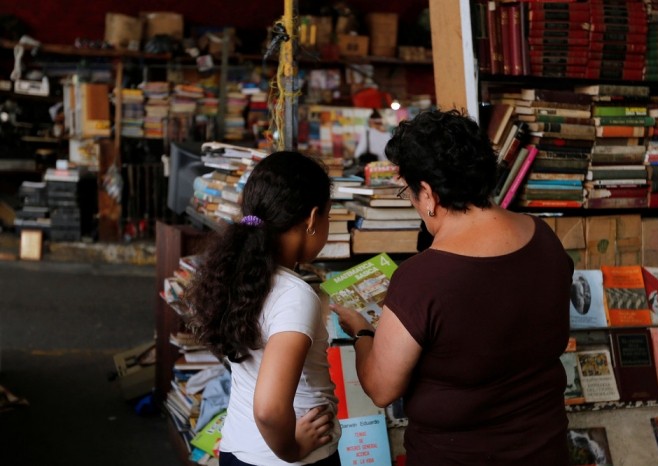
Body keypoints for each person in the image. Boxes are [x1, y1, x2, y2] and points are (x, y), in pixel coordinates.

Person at [330, 109, 574, 465]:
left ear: (427, 194)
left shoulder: (421, 278)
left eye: (409, 195)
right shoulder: (544, 238)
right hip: (546, 452)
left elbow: (381, 388)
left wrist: (363, 332)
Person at [184, 151, 341, 466]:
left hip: (238, 448)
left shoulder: (242, 273)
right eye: (328, 215)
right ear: (312, 219)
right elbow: (269, 409)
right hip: (288, 458)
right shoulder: (294, 295)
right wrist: (292, 449)